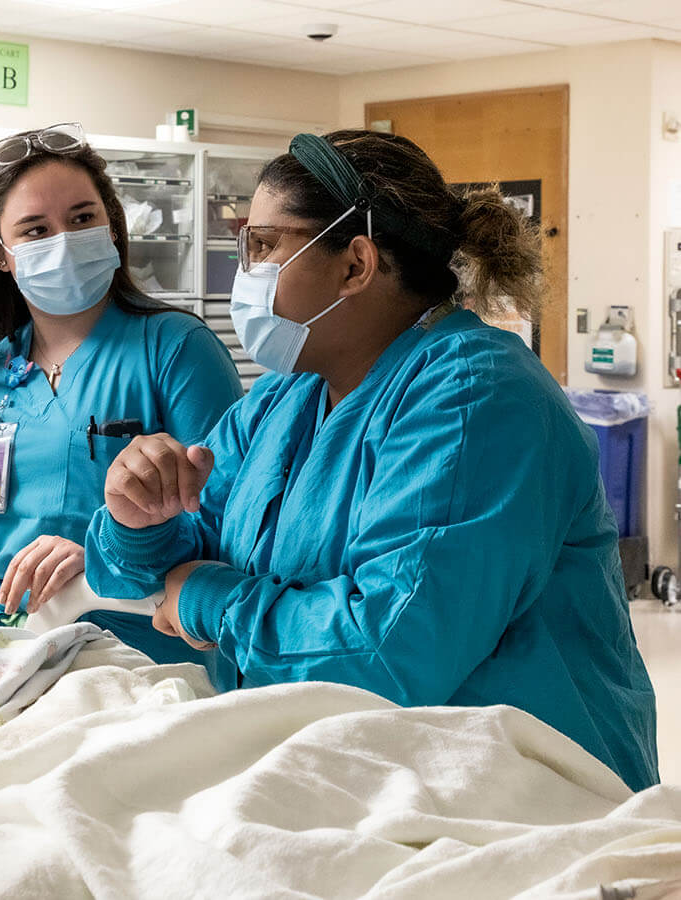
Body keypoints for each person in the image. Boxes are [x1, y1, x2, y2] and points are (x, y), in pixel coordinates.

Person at [87, 129, 659, 792]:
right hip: (344, 772)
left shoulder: (477, 399)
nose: (247, 273)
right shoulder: (284, 400)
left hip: (517, 795)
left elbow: (391, 651)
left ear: (355, 264)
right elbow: (170, 558)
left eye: (263, 245)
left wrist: (209, 600)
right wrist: (141, 521)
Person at [0, 123, 243, 671]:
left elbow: (233, 533)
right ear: (0, 251)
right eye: (34, 230)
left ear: (110, 224)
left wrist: (105, 553)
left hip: (134, 667)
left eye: (81, 219)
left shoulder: (176, 351)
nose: (62, 240)